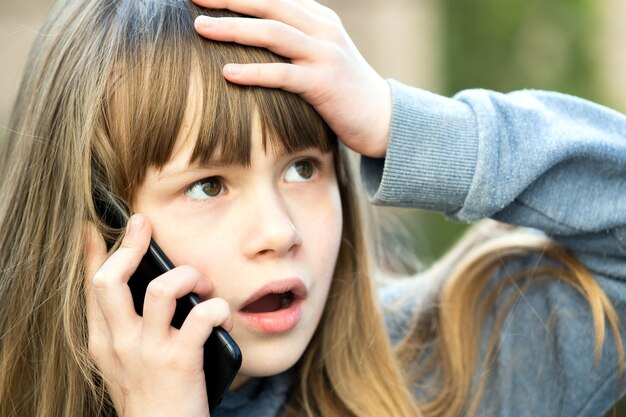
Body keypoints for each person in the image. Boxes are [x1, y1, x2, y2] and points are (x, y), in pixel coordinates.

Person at [0, 1, 625, 417]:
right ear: (100, 231)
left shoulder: (457, 373)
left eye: (304, 168)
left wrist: (397, 120)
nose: (279, 232)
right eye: (209, 185)